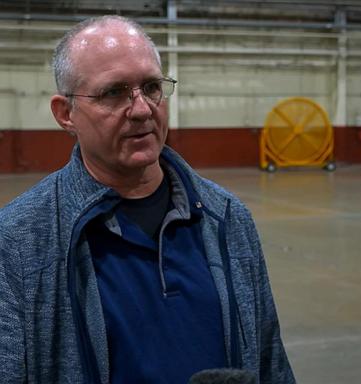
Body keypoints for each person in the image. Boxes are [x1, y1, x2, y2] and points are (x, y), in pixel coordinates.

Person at [0, 15, 295, 384]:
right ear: (66, 114)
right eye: (114, 92)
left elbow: (271, 364)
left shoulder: (227, 217)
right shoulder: (16, 241)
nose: (141, 109)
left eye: (151, 87)